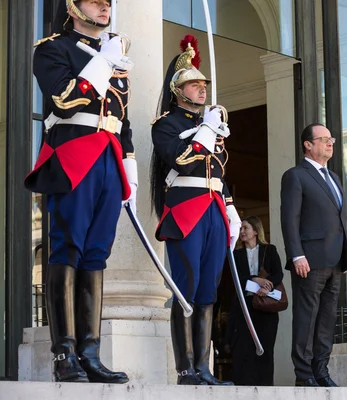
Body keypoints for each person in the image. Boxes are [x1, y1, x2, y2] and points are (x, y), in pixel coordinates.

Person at [25, 0, 136, 383]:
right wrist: (104, 62)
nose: (105, 7)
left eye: (108, 3)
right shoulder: (52, 48)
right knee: (67, 246)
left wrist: (130, 168)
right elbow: (65, 98)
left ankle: (90, 353)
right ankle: (64, 353)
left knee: (96, 254)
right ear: (73, 7)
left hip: (108, 157)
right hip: (74, 153)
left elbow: (121, 118)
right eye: (95, 1)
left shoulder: (112, 55)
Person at [150, 34, 241, 386]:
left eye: (203, 84)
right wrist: (204, 130)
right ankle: (185, 369)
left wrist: (229, 206)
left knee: (208, 292)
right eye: (194, 84)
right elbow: (181, 161)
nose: (202, 89)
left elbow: (217, 172)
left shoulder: (211, 125)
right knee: (185, 289)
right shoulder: (166, 125)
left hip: (213, 209)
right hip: (186, 209)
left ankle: (205, 367)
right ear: (178, 90)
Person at [280, 123, 347, 387]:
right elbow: (290, 219)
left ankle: (321, 370)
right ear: (308, 145)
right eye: (323, 139)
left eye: (330, 138)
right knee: (307, 318)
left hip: (335, 260)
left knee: (327, 320)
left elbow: (340, 220)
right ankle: (304, 373)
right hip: (309, 260)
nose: (330, 143)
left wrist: (346, 254)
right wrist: (296, 255)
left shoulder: (334, 178)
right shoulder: (295, 176)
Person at [226, 216, 283, 386]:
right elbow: (234, 279)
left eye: (245, 228)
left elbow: (278, 273)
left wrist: (267, 287)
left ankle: (265, 386)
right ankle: (245, 386)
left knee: (266, 347)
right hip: (244, 307)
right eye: (241, 229)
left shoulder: (270, 250)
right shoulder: (235, 254)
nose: (242, 232)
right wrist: (255, 281)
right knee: (244, 349)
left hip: (266, 307)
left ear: (256, 231)